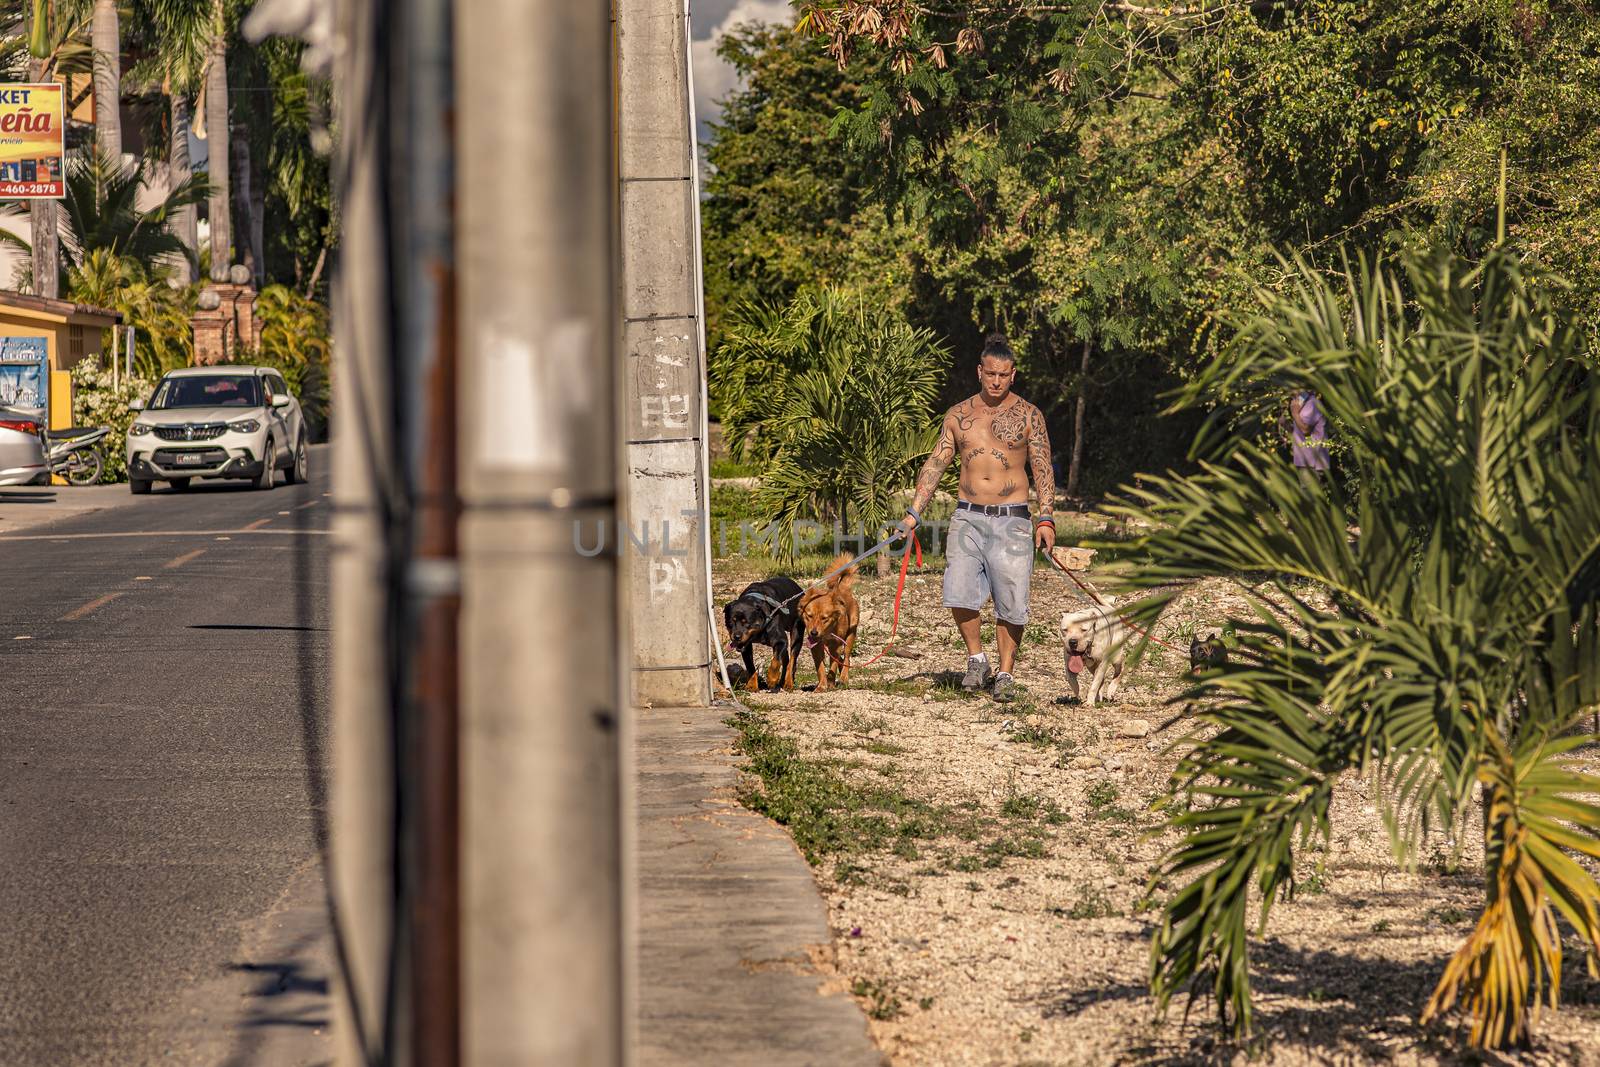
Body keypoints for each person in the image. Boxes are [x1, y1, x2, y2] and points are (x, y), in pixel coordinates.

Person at [898, 334, 1055, 702]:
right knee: (958, 591)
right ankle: (976, 658)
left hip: (1013, 518)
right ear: (979, 372)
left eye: (1003, 375)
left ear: (1013, 374)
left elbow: (1042, 467)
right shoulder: (958, 415)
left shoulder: (1030, 415)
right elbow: (936, 463)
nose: (996, 381)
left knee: (1012, 602)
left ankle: (1005, 673)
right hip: (967, 516)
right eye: (990, 374)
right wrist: (913, 514)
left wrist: (1045, 518)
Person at [1289, 389, 1329, 486]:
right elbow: (1299, 431)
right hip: (1303, 461)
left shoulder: (1312, 404)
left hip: (1311, 463)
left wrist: (1294, 414)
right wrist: (1285, 424)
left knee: (1312, 498)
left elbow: (1306, 430)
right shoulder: (1300, 404)